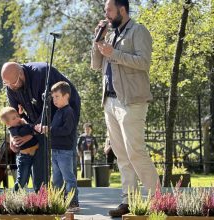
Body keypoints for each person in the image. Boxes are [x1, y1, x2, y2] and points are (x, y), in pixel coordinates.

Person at [91, 0, 159, 217]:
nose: (106, 15)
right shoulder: (109, 35)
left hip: (131, 101)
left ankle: (159, 200)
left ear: (122, 9)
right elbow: (95, 65)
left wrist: (114, 54)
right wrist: (97, 41)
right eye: (105, 11)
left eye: (109, 10)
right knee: (121, 154)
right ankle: (129, 200)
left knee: (135, 152)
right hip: (109, 101)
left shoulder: (138, 31)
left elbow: (144, 62)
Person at [0, 62, 81, 192]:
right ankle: (42, 196)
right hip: (37, 122)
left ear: (21, 74)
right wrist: (14, 137)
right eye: (7, 84)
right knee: (37, 155)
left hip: (64, 116)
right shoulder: (11, 87)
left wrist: (31, 133)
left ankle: (70, 197)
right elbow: (13, 115)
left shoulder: (42, 74)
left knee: (64, 159)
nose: (10, 87)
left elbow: (48, 111)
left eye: (13, 83)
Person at [35, 81, 79, 212]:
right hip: (55, 151)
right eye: (53, 97)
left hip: (65, 151)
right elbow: (54, 130)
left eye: (57, 96)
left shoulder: (68, 112)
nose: (54, 100)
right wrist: (44, 130)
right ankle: (58, 202)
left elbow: (66, 130)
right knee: (56, 179)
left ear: (66, 96)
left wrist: (49, 129)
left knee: (69, 178)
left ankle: (73, 202)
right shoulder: (58, 112)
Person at [0, 106, 39, 191]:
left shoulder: (19, 125)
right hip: (25, 157)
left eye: (17, 116)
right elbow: (28, 129)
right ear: (8, 124)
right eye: (14, 118)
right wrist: (24, 122)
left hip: (34, 154)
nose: (17, 119)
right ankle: (14, 194)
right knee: (22, 179)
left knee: (37, 178)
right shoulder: (14, 130)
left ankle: (37, 197)